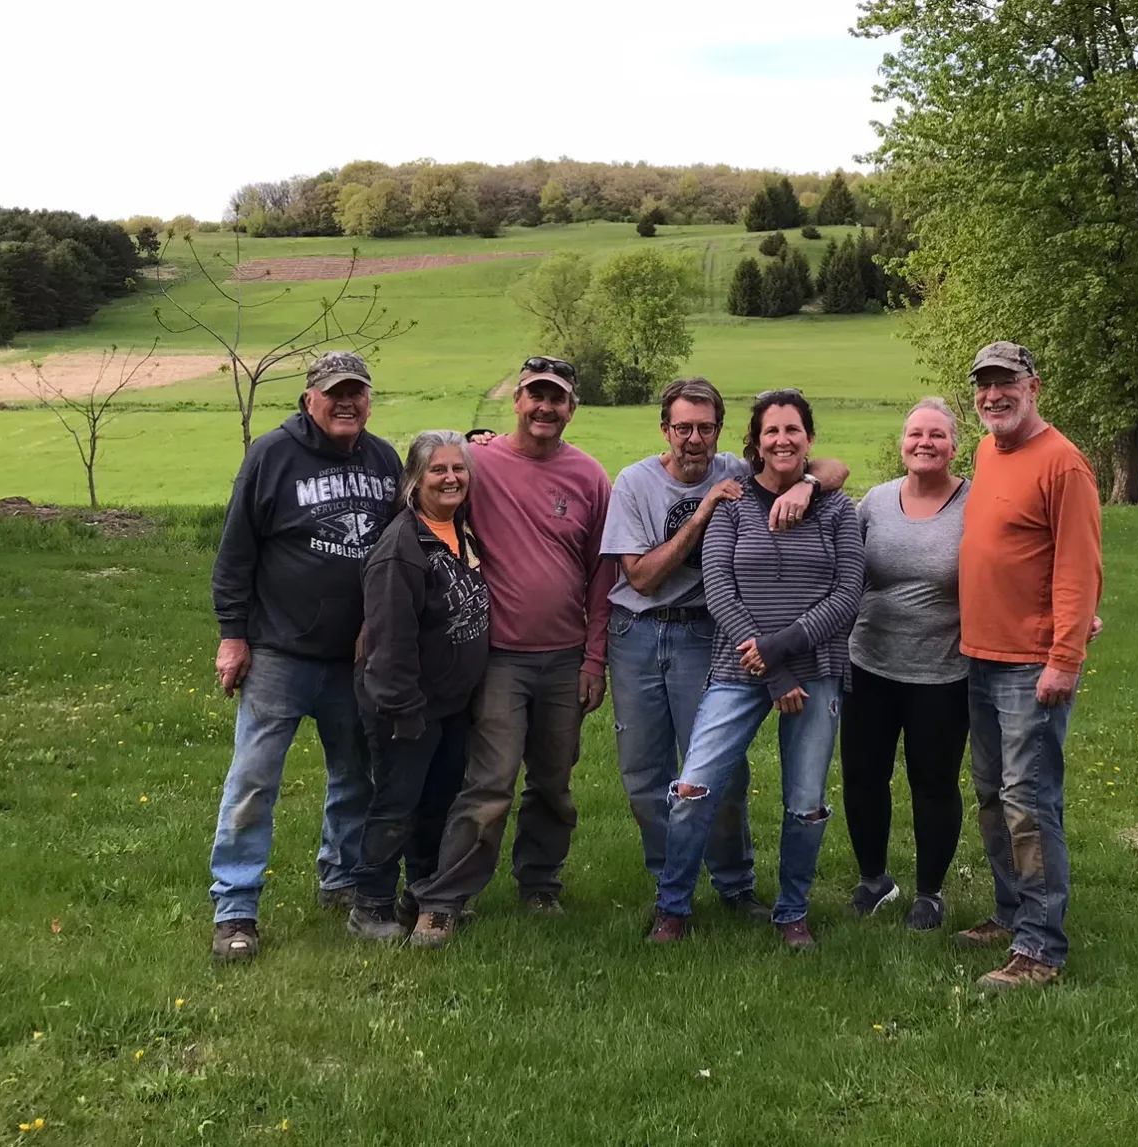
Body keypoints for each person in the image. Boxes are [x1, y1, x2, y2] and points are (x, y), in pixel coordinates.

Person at [601, 378, 849, 922]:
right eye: (683, 427)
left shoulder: (737, 471)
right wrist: (702, 511)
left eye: (705, 427)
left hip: (702, 634)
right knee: (645, 775)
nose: (694, 438)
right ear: (665, 429)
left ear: (721, 433)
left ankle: (735, 886)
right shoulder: (636, 482)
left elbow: (832, 469)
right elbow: (640, 579)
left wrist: (806, 485)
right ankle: (672, 883)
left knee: (721, 774)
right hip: (639, 632)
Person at [406, 357, 614, 948]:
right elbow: (432, 488)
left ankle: (540, 883)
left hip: (566, 658)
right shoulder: (480, 464)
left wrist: (595, 659)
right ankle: (443, 900)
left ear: (572, 408)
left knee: (553, 781)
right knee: (490, 781)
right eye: (535, 395)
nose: (546, 407)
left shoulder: (590, 477)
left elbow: (602, 574)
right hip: (497, 657)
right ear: (517, 400)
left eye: (558, 398)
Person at [206, 351, 404, 963]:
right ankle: (236, 908)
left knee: (356, 777)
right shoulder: (272, 455)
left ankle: (340, 879)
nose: (347, 403)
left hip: (355, 658)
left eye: (357, 393)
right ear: (308, 398)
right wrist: (232, 635)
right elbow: (236, 552)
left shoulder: (383, 459)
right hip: (279, 654)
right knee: (253, 781)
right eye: (334, 393)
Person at [953, 341, 1103, 991]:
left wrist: (1064, 657)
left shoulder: (1063, 464)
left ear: (1033, 387)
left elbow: (1079, 565)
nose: (994, 395)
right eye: (984, 385)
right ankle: (1011, 911)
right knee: (993, 794)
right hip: (980, 656)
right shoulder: (989, 450)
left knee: (1029, 802)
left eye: (1006, 383)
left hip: (1029, 667)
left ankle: (1040, 948)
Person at [346, 431, 492, 941]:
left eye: (458, 468)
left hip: (449, 705)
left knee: (438, 802)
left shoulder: (458, 530)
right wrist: (404, 710)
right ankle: (371, 905)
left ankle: (424, 893)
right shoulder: (401, 552)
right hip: (406, 708)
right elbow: (388, 646)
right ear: (414, 479)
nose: (450, 478)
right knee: (395, 806)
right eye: (438, 470)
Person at [840, 398, 972, 931]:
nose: (924, 442)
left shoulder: (976, 502)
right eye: (915, 433)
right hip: (868, 662)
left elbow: (1019, 559)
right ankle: (874, 880)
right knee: (863, 777)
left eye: (936, 435)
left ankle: (930, 892)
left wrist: (1068, 609)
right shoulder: (874, 501)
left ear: (954, 447)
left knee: (933, 782)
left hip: (941, 671)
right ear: (902, 443)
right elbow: (842, 563)